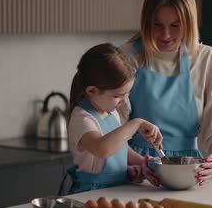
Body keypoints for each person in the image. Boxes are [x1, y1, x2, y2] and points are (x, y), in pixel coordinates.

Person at [119, 0, 212, 186]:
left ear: (189, 23)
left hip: (189, 171)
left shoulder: (206, 59)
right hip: (135, 170)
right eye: (157, 25)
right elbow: (111, 130)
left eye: (175, 25)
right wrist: (139, 164)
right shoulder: (126, 58)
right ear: (146, 22)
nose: (166, 34)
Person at [59, 43, 163, 195]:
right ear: (92, 91)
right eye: (117, 95)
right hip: (91, 194)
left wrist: (139, 164)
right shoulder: (82, 118)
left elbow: (119, 147)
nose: (123, 100)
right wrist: (136, 123)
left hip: (117, 189)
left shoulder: (110, 111)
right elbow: (103, 149)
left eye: (126, 94)